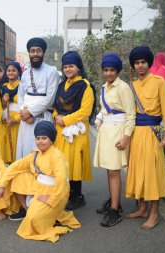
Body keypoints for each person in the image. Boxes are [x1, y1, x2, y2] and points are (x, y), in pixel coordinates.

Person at [0, 121, 80, 242]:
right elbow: (15, 167)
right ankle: (28, 209)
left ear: (51, 140)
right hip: (39, 186)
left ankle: (46, 214)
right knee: (18, 177)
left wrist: (51, 199)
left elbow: (62, 182)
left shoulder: (57, 156)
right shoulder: (35, 154)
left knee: (32, 221)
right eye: (38, 138)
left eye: (44, 138)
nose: (40, 141)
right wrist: (1, 185)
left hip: (54, 192)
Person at [11, 38, 59, 220]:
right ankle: (25, 202)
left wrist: (31, 112)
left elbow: (50, 97)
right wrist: (24, 111)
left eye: (38, 50)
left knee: (40, 161)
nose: (35, 54)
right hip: (25, 121)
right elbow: (20, 94)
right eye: (32, 51)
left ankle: (39, 202)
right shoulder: (25, 73)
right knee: (25, 158)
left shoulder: (52, 71)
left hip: (41, 119)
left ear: (43, 52)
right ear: (29, 53)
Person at [125, 46, 165, 229]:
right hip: (136, 133)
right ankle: (142, 208)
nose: (140, 66)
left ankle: (154, 214)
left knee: (152, 173)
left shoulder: (159, 81)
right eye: (136, 63)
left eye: (143, 62)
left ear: (149, 63)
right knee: (138, 171)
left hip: (153, 133)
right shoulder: (132, 85)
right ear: (133, 65)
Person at [93, 53, 136, 227]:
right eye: (106, 70)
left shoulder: (123, 87)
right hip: (106, 131)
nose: (109, 73)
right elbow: (105, 110)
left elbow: (131, 114)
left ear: (118, 70)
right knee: (109, 169)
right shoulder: (104, 87)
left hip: (118, 132)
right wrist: (99, 118)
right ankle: (113, 201)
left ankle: (115, 210)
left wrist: (126, 137)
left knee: (114, 171)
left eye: (112, 70)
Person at [53, 51, 95, 210]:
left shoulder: (85, 86)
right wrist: (57, 117)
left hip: (76, 131)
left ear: (78, 67)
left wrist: (65, 120)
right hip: (60, 129)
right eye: (65, 66)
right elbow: (56, 105)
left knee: (74, 163)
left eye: (71, 66)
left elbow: (86, 111)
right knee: (62, 161)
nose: (68, 69)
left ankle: (77, 196)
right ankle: (65, 193)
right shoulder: (61, 85)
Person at [0, 61, 22, 163]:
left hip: (18, 120)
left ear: (18, 72)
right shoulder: (3, 86)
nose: (11, 73)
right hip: (6, 119)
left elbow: (25, 105)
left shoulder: (22, 86)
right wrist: (4, 100)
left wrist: (15, 119)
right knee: (6, 144)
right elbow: (2, 105)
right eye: (8, 71)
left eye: (13, 70)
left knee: (17, 144)